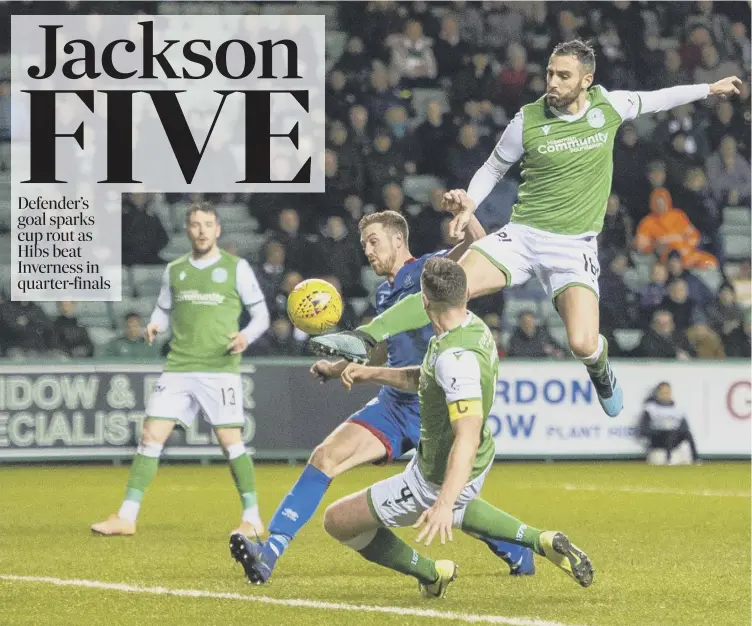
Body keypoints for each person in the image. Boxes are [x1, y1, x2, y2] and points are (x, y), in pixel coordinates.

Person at [311, 39, 741, 419]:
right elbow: (494, 166)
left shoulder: (609, 106)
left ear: (586, 80)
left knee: (582, 342)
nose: (552, 81)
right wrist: (469, 205)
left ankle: (600, 367)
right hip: (522, 235)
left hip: (574, 247)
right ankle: (365, 335)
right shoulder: (527, 119)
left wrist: (710, 88)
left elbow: (659, 97)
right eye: (550, 72)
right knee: (444, 286)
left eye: (563, 75)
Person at [228, 211, 534, 584]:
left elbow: (480, 243)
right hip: (395, 403)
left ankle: (515, 548)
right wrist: (338, 367)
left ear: (398, 240)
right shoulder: (385, 291)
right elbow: (381, 349)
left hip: (435, 405)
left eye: (374, 242)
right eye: (364, 245)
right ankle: (270, 552)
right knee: (326, 457)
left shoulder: (428, 269)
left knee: (445, 497)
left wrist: (466, 211)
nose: (368, 251)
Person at [270, 259, 591, 596]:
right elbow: (424, 377)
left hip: (439, 474)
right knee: (461, 506)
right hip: (478, 455)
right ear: (464, 295)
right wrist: (370, 373)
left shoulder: (455, 360)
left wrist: (442, 502)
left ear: (424, 302)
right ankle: (538, 540)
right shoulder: (472, 327)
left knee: (338, 521)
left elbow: (465, 436)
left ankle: (431, 574)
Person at [91, 202, 271, 537]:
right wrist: (154, 325)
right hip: (178, 365)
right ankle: (126, 516)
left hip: (219, 367)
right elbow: (162, 308)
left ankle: (253, 517)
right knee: (150, 436)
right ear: (187, 230)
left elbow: (261, 316)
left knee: (230, 442)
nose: (201, 230)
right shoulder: (175, 269)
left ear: (217, 229)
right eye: (195, 224)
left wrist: (245, 336)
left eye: (208, 224)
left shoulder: (237, 268)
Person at [637, 382, 698, 465]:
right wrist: (660, 431)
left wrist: (674, 431)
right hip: (658, 443)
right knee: (668, 434)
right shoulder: (651, 409)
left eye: (668, 392)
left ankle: (696, 458)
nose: (666, 395)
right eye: (663, 393)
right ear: (658, 393)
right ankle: (668, 458)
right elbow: (644, 430)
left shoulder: (677, 410)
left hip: (674, 443)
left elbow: (685, 428)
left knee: (684, 434)